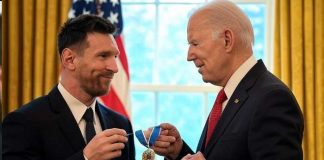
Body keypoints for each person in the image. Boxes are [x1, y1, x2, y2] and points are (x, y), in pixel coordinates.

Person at [148, 0, 304, 160]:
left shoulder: (272, 99)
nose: (189, 56)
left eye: (195, 43)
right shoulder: (229, 95)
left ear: (227, 40)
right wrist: (178, 152)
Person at [3, 14, 135, 160]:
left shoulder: (120, 123)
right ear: (69, 59)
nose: (114, 67)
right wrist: (85, 158)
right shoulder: (24, 123)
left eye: (115, 57)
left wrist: (165, 156)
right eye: (103, 56)